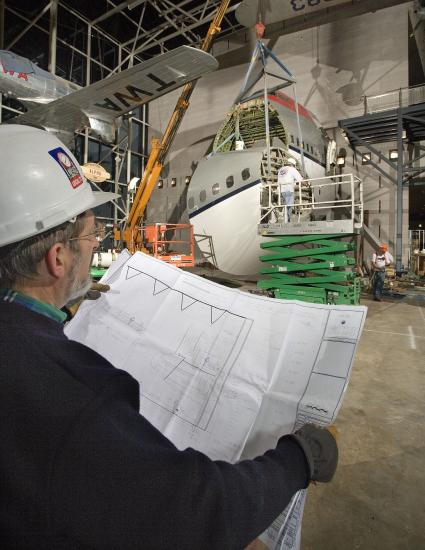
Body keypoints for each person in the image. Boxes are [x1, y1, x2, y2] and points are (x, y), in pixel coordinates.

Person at [0, 126, 338, 550]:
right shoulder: (73, 394)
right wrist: (299, 458)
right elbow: (196, 512)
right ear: (57, 258)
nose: (95, 245)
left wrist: (53, 312)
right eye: (91, 236)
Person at [277, 157, 303, 222]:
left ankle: (283, 219)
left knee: (285, 206)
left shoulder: (281, 170)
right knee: (289, 207)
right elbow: (301, 180)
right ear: (293, 164)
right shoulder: (292, 169)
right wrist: (307, 184)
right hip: (289, 190)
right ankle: (288, 221)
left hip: (282, 191)